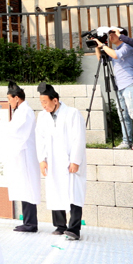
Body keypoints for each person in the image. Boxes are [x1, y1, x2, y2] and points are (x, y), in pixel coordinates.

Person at [36, 82, 87, 240]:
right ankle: (60, 226)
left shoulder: (72, 113)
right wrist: (42, 159)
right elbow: (40, 139)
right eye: (41, 102)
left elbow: (79, 137)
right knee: (55, 190)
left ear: (55, 100)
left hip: (69, 159)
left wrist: (75, 160)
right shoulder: (42, 116)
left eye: (45, 102)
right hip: (52, 160)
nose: (43, 105)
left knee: (74, 194)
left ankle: (74, 229)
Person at [0, 81, 41, 232]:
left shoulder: (25, 111)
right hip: (21, 154)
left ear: (16, 98)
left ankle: (31, 223)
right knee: (24, 187)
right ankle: (28, 221)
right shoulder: (21, 111)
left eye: (9, 98)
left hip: (25, 154)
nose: (8, 102)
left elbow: (17, 132)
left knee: (28, 187)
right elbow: (12, 130)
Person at [94, 28, 133, 150]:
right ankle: (126, 141)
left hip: (131, 85)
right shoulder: (116, 49)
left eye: (113, 33)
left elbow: (116, 56)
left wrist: (103, 45)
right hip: (120, 87)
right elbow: (102, 60)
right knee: (123, 115)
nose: (110, 36)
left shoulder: (127, 46)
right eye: (109, 34)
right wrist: (97, 47)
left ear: (121, 35)